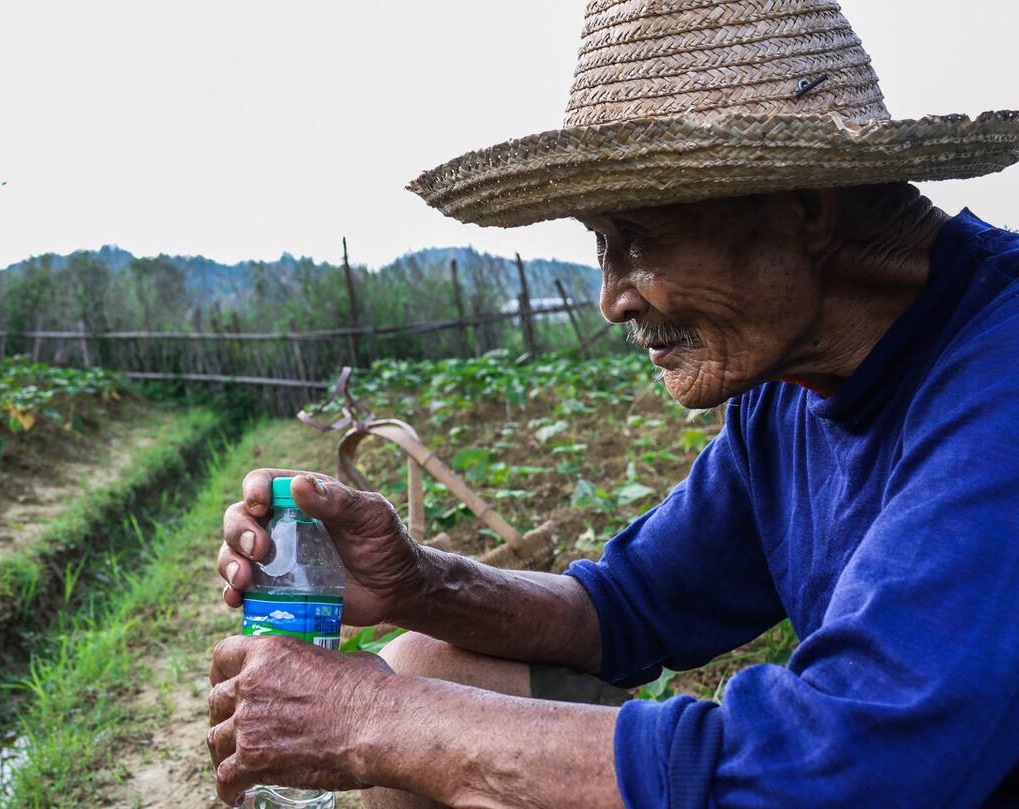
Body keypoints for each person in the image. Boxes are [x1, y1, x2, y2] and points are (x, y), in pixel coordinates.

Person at [208, 1, 1019, 806]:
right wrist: (418, 582)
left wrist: (370, 718)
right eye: (601, 245)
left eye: (637, 238)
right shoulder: (792, 395)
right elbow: (628, 606)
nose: (611, 298)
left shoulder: (1000, 374)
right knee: (429, 663)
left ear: (804, 204)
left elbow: (852, 767)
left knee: (411, 708)